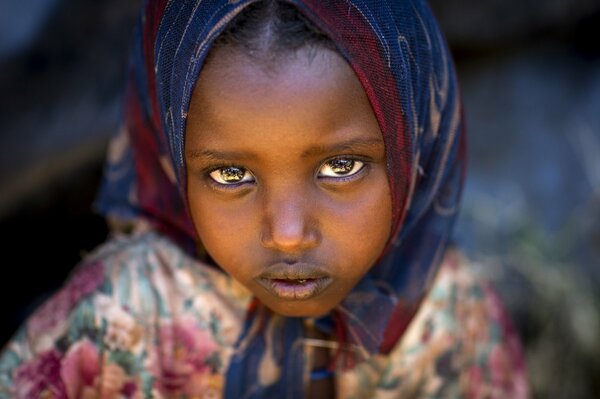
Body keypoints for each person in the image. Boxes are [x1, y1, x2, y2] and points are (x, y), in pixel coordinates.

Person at [0, 0, 529, 398]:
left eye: (340, 167)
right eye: (230, 174)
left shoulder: (454, 324)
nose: (288, 232)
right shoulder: (119, 322)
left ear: (417, 150)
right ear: (172, 158)